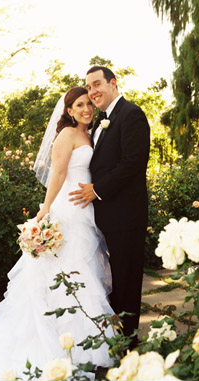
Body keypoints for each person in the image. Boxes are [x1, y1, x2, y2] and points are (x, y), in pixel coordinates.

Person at [0, 86, 114, 381]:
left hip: (86, 208)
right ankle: (66, 345)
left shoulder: (93, 133)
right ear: (69, 110)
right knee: (69, 272)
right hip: (67, 210)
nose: (87, 109)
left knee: (85, 270)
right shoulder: (67, 135)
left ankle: (85, 342)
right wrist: (45, 210)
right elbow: (58, 173)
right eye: (79, 105)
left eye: (89, 103)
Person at [69, 66, 150, 346]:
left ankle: (128, 341)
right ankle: (116, 337)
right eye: (89, 87)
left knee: (127, 280)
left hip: (127, 216)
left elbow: (133, 164)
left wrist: (97, 190)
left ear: (113, 83)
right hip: (107, 217)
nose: (92, 92)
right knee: (114, 280)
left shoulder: (131, 115)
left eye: (97, 85)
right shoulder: (102, 121)